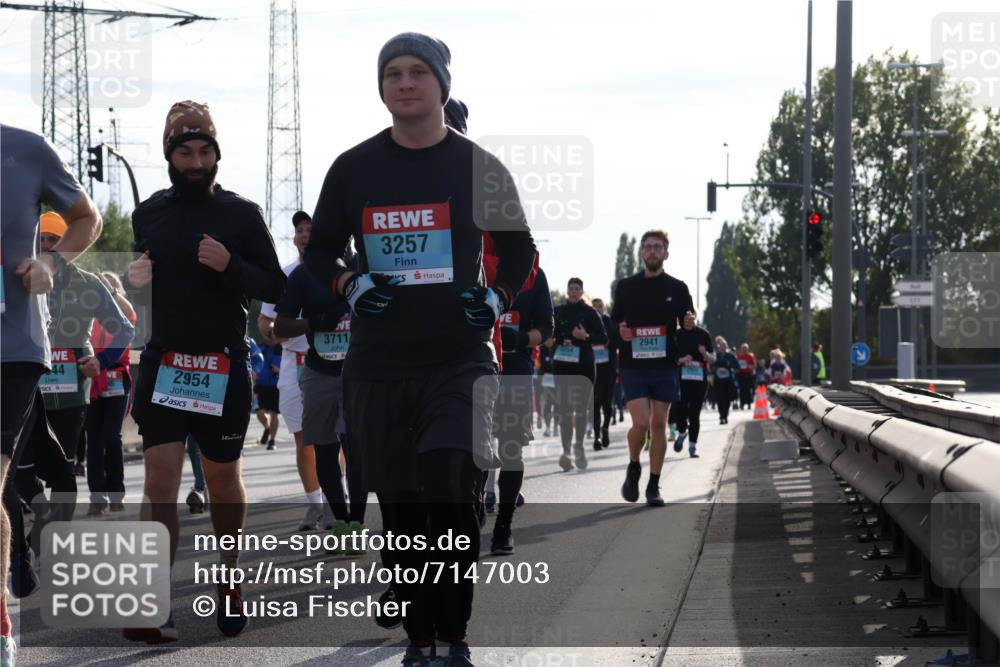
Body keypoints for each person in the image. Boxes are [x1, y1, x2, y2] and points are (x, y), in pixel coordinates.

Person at [303, 32, 535, 667]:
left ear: (442, 84)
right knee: (403, 511)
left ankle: (454, 636)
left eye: (418, 73)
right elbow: (319, 250)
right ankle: (419, 637)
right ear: (382, 88)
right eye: (393, 74)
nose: (405, 83)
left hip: (459, 361)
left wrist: (497, 298)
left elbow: (520, 249)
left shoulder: (479, 167)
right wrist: (351, 283)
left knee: (449, 493)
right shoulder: (353, 168)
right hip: (378, 366)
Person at [123, 100, 285, 642]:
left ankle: (230, 578)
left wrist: (231, 267)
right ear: (170, 156)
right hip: (166, 361)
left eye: (204, 152)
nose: (195, 163)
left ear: (217, 155)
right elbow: (140, 283)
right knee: (160, 479)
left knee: (221, 479)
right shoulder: (148, 213)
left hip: (221, 363)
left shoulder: (241, 214)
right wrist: (134, 279)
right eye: (185, 152)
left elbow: (275, 287)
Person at [1, 123, 103, 666]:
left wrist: (49, 262)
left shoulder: (26, 149)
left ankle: (0, 627)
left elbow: (88, 218)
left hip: (11, 344)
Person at [273, 260, 368, 548]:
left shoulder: (362, 268)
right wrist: (312, 323)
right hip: (319, 373)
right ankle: (340, 521)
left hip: (359, 373)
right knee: (325, 452)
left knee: (356, 451)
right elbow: (280, 326)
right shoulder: (304, 274)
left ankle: (358, 524)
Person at [258, 210, 330, 530]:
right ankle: (314, 503)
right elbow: (265, 322)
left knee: (336, 436)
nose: (305, 235)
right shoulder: (285, 276)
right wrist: (275, 333)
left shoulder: (335, 274)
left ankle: (334, 497)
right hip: (294, 363)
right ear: (294, 237)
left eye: (310, 229)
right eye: (300, 230)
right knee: (304, 438)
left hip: (331, 361)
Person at [612, 230, 693, 507]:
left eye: (657, 247)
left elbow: (687, 319)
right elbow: (614, 323)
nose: (652, 251)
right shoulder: (626, 286)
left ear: (666, 253)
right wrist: (620, 331)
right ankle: (634, 465)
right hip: (634, 365)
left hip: (664, 364)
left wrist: (689, 321)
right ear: (641, 253)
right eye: (647, 247)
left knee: (659, 423)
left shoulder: (677, 288)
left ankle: (654, 485)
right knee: (642, 423)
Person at [85, 271, 138, 513]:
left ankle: (116, 493)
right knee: (93, 440)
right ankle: (97, 496)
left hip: (116, 378)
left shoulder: (120, 316)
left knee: (112, 438)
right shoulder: (91, 314)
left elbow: (130, 313)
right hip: (93, 379)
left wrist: (111, 291)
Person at [552, 278, 607, 471]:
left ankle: (579, 447)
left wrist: (586, 337)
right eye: (571, 288)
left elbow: (603, 337)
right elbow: (548, 333)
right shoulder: (558, 312)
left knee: (581, 410)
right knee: (565, 411)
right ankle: (566, 451)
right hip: (562, 366)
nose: (574, 291)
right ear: (567, 291)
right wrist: (559, 338)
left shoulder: (590, 313)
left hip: (584, 367)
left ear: (582, 292)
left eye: (577, 288)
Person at [673, 311, 715, 458]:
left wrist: (704, 354)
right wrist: (683, 359)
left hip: (699, 379)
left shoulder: (703, 334)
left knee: (695, 413)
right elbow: (672, 358)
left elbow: (712, 359)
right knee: (680, 408)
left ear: (695, 318)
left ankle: (692, 446)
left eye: (691, 320)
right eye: (686, 320)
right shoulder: (677, 335)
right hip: (682, 379)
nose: (688, 323)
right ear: (682, 321)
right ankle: (682, 432)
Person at [590, 297, 618, 450]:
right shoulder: (589, 322)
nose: (597, 309)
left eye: (599, 306)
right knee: (595, 404)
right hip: (593, 370)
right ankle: (596, 437)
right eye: (594, 307)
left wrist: (609, 340)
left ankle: (605, 428)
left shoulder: (609, 322)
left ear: (604, 308)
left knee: (607, 405)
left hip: (608, 369)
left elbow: (616, 339)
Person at [254, 337, 282, 448]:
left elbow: (292, 368)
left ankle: (272, 440)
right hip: (260, 386)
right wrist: (254, 372)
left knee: (273, 413)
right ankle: (267, 428)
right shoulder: (259, 348)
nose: (270, 338)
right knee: (259, 412)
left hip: (275, 386)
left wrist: (280, 370)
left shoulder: (282, 349)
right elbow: (252, 361)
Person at [711, 336, 739, 425]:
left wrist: (731, 369)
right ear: (718, 348)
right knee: (719, 399)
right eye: (720, 347)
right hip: (718, 381)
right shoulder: (716, 356)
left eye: (724, 347)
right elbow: (711, 365)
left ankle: (725, 414)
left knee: (727, 399)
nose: (722, 349)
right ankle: (721, 415)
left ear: (726, 347)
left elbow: (737, 367)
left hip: (728, 381)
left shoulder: (730, 356)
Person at [736, 343, 756, 409]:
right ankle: (742, 404)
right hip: (741, 375)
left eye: (745, 349)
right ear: (741, 349)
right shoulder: (739, 356)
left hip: (748, 374)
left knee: (748, 389)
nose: (744, 350)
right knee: (742, 390)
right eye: (743, 349)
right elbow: (736, 365)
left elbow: (753, 365)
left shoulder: (750, 356)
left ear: (747, 349)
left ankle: (749, 403)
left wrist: (749, 367)